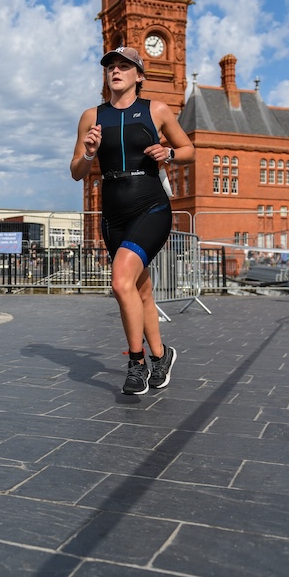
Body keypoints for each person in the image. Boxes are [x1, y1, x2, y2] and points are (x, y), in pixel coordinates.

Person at [71, 46, 193, 395]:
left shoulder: (156, 110)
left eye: (124, 66)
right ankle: (161, 355)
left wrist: (168, 152)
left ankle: (136, 362)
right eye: (110, 66)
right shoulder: (91, 116)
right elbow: (77, 171)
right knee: (141, 289)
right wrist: (90, 153)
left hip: (151, 207)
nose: (116, 71)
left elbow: (188, 149)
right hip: (113, 214)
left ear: (139, 75)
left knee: (121, 281)